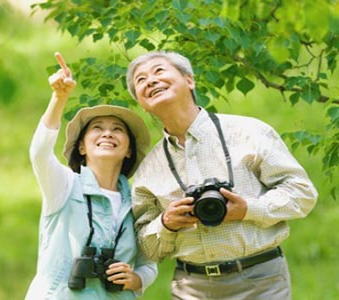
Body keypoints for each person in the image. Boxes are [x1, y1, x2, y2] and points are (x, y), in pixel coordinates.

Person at [126, 51, 318, 300]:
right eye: (141, 80)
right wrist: (166, 223)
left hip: (261, 280)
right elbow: (144, 246)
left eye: (159, 71)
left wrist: (248, 209)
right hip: (191, 287)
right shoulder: (148, 169)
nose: (150, 81)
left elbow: (302, 192)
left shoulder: (249, 132)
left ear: (189, 80)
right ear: (142, 103)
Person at [25, 52, 157, 300]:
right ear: (82, 147)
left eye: (117, 130)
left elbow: (149, 263)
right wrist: (59, 97)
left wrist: (136, 279)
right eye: (97, 129)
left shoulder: (139, 202)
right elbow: (40, 153)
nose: (107, 134)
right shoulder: (64, 186)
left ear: (129, 150)